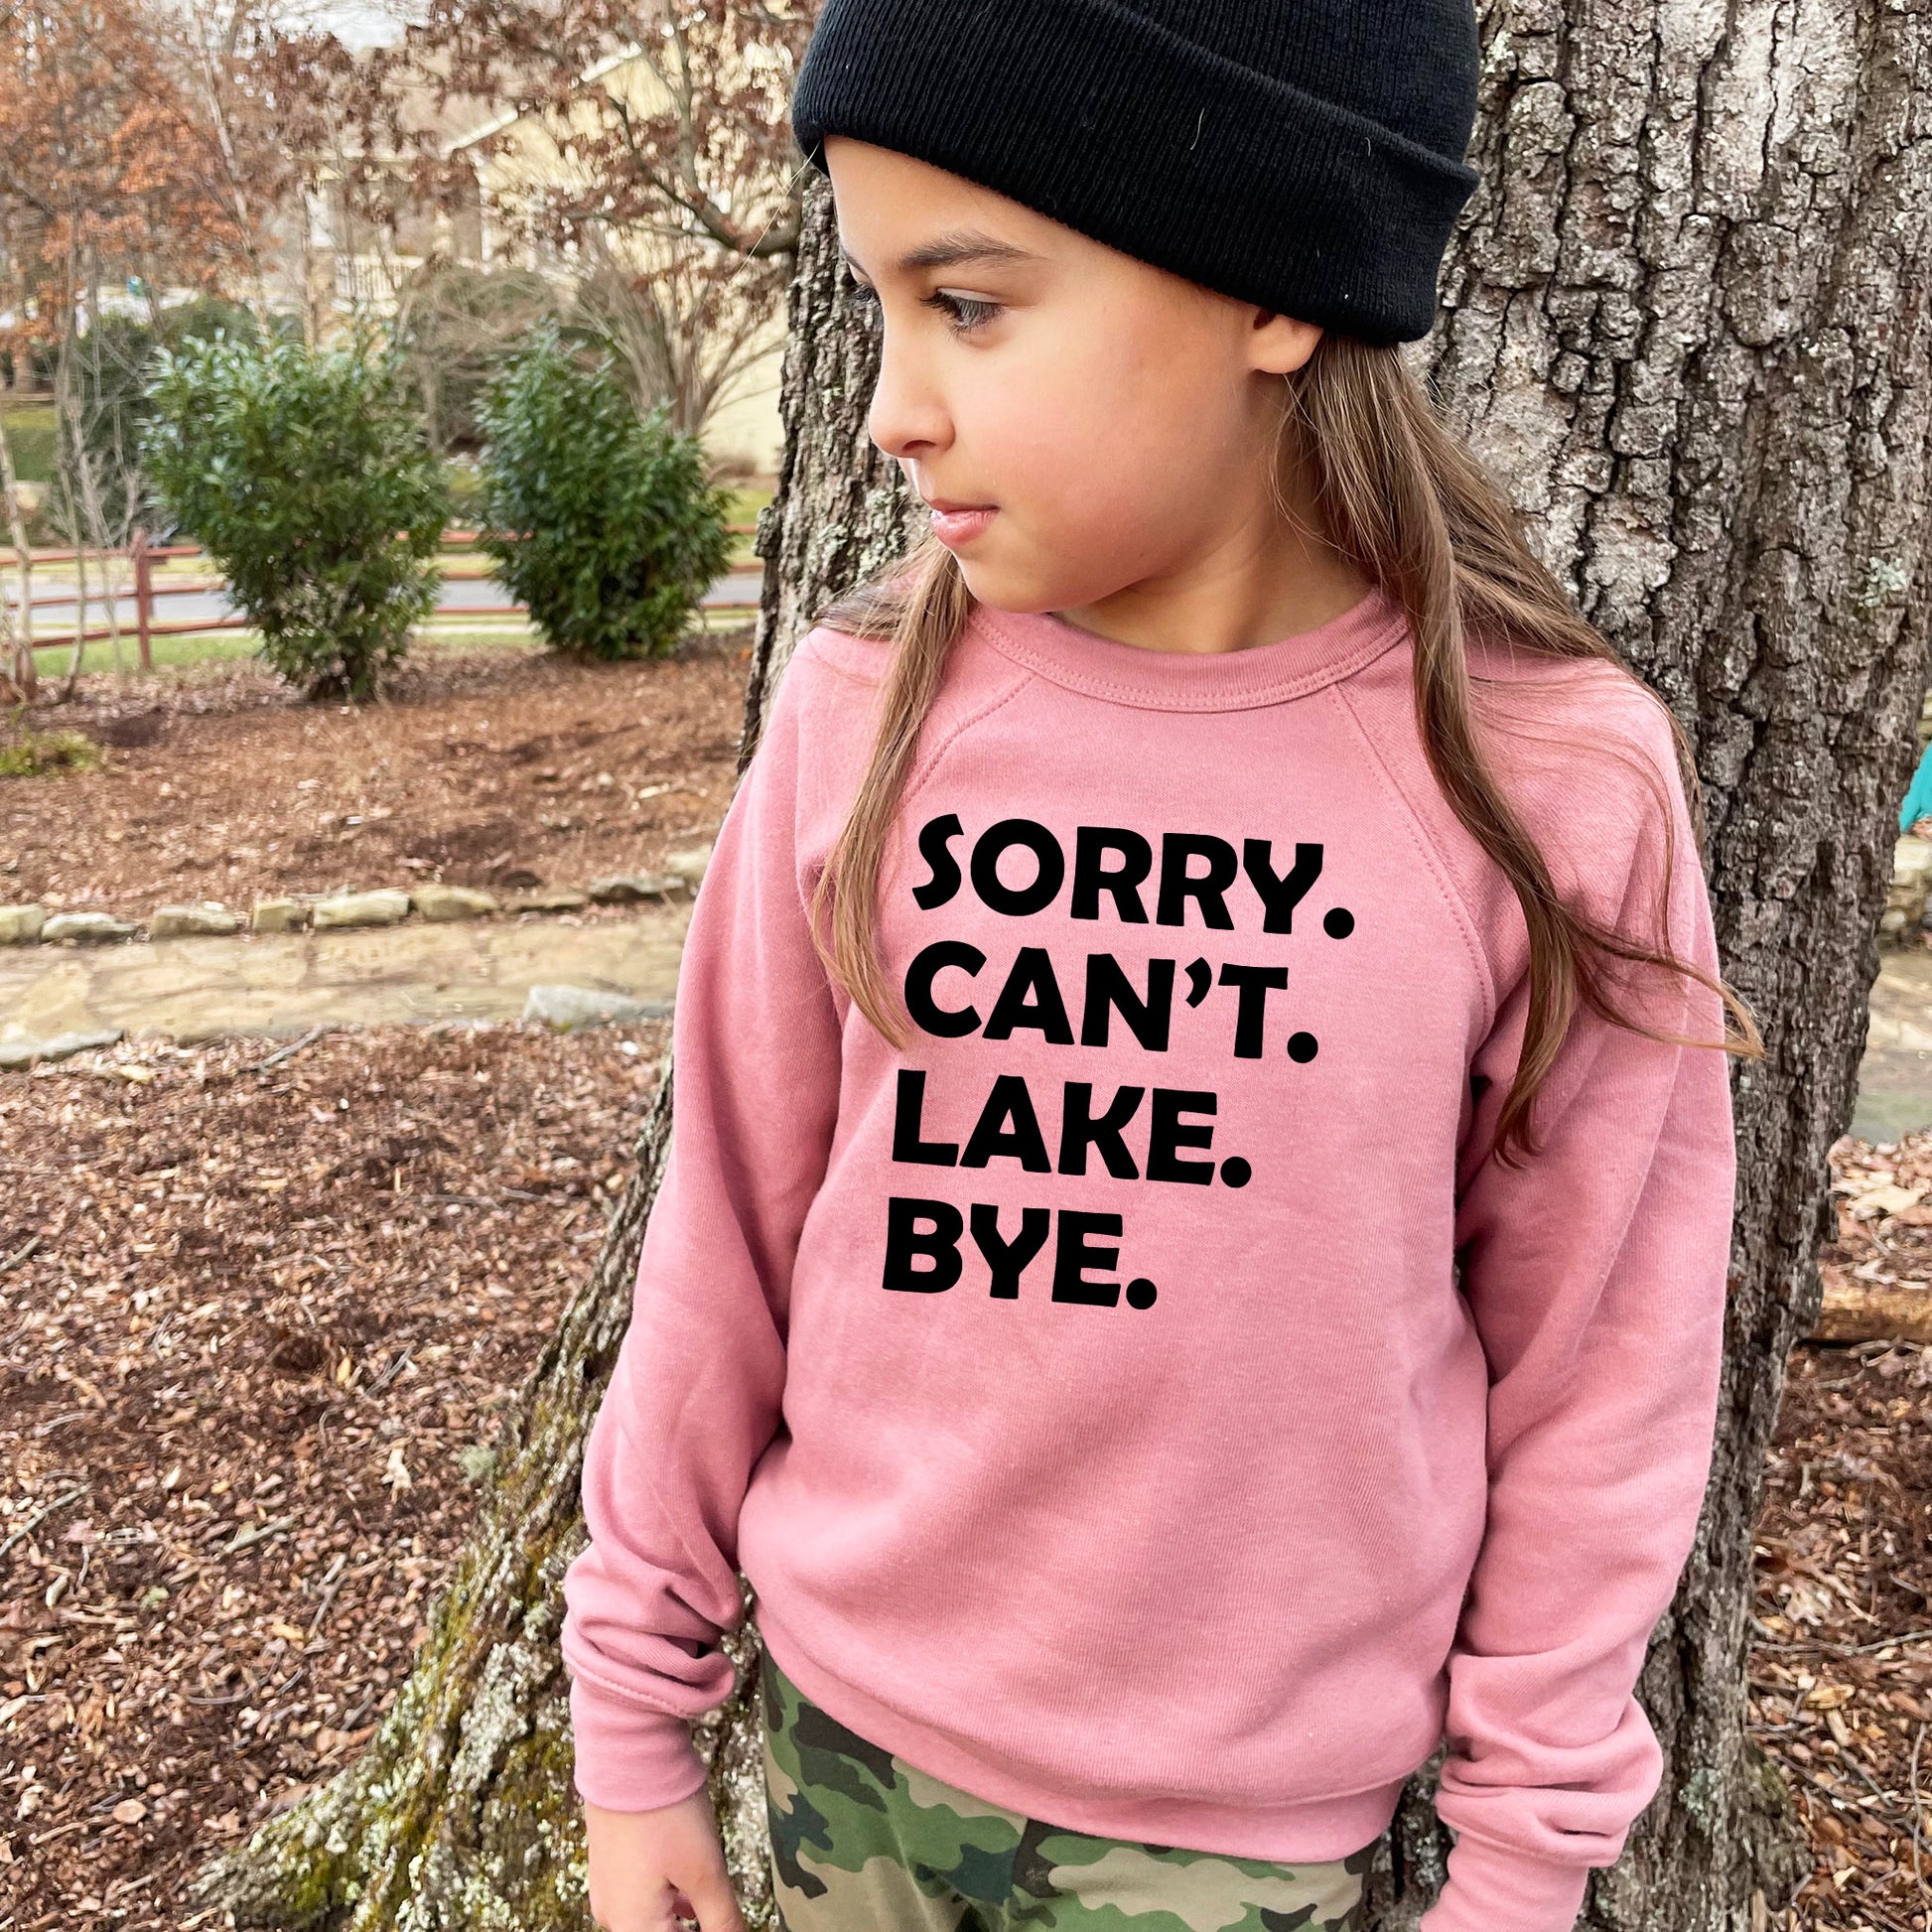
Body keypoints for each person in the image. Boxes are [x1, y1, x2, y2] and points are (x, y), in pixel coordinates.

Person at [560, 4, 1760, 1929]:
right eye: (878, 305)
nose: (889, 406)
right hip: (832, 1754)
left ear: (1270, 289)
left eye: (968, 302)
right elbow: (723, 1240)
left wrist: (1525, 1859)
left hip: (1233, 1845)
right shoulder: (858, 715)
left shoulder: (1543, 781)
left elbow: (1603, 1376)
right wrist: (632, 1725)